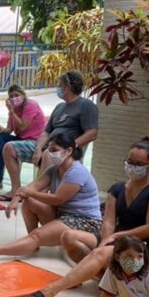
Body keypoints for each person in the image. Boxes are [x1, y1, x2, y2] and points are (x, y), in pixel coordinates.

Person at [20, 136, 149, 297]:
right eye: (130, 161)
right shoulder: (117, 189)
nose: (132, 166)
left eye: (139, 164)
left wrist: (115, 238)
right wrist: (106, 240)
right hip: (117, 242)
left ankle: (50, 291)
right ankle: (106, 280)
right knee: (69, 237)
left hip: (141, 248)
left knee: (101, 253)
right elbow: (108, 223)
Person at [0, 133, 101, 261]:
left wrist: (29, 193)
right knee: (30, 201)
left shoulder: (76, 172)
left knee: (36, 234)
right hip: (64, 215)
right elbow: (33, 186)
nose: (51, 154)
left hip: (84, 222)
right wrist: (16, 199)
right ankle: (32, 243)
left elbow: (57, 199)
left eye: (55, 150)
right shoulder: (54, 170)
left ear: (69, 151)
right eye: (49, 150)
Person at [18, 70, 98, 200]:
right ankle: (20, 191)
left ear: (68, 87)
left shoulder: (86, 105)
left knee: (48, 154)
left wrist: (70, 146)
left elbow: (92, 133)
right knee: (10, 147)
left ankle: (40, 196)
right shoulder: (59, 107)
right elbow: (46, 132)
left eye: (60, 85)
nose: (58, 88)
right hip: (49, 145)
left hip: (65, 149)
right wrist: (38, 149)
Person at [0, 84, 45, 194]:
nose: (14, 98)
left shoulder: (31, 105)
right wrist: (1, 129)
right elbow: (9, 129)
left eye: (16, 95)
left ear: (23, 95)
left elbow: (22, 126)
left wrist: (11, 112)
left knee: (7, 146)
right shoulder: (14, 109)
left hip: (34, 142)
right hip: (21, 139)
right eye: (11, 96)